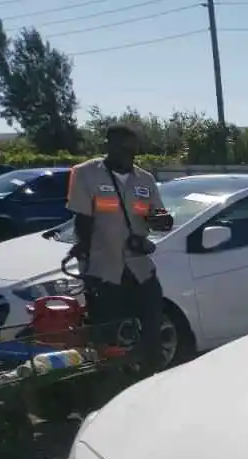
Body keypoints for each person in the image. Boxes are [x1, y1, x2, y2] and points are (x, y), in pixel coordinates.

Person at [66, 123, 174, 375]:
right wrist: (85, 256)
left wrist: (161, 220)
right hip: (104, 270)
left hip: (139, 268)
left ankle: (151, 376)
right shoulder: (85, 174)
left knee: (152, 325)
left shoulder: (145, 179)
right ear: (109, 147)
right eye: (123, 149)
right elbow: (82, 220)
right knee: (106, 336)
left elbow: (156, 215)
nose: (129, 156)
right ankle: (110, 385)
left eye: (133, 151)